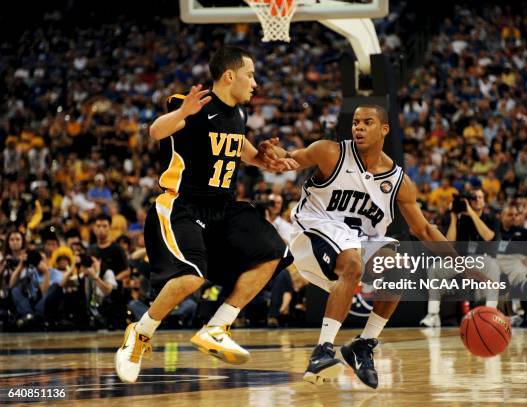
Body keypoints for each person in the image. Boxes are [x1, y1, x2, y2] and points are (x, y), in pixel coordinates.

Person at [115, 46, 296, 383]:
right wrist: (181, 113)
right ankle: (139, 335)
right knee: (191, 277)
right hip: (182, 205)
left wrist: (266, 160)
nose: (255, 83)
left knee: (274, 251)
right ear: (230, 75)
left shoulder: (239, 116)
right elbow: (156, 131)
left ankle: (217, 327)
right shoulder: (191, 105)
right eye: (250, 75)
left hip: (223, 209)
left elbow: (242, 151)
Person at [261, 104, 474, 388]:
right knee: (352, 261)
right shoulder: (330, 152)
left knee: (397, 267)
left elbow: (423, 229)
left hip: (355, 240)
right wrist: (271, 153)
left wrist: (461, 264)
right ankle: (322, 351)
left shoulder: (399, 181)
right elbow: (290, 157)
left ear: (384, 129)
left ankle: (364, 344)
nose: (358, 127)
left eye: (367, 122)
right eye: (356, 122)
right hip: (314, 229)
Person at [420, 188, 500, 328]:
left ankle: (490, 313)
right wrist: (453, 217)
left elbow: (488, 237)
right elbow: (449, 244)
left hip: (483, 259)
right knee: (434, 269)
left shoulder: (490, 218)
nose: (477, 200)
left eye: (480, 197)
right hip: (460, 260)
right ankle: (433, 315)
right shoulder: (459, 219)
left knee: (493, 266)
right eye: (473, 198)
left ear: (484, 201)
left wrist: (471, 212)